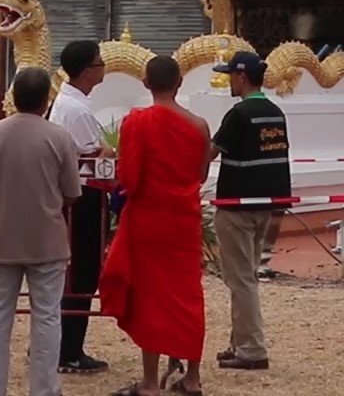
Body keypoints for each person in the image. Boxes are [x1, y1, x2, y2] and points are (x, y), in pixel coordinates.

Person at [101, 54, 208, 396]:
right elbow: (202, 174)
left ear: (146, 83)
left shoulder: (137, 122)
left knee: (150, 298)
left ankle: (149, 383)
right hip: (184, 221)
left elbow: (129, 178)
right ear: (180, 83)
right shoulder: (199, 126)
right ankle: (192, 378)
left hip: (148, 220)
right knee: (188, 296)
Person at [0, 66, 81, 396]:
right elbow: (71, 193)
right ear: (45, 101)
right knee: (47, 316)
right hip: (46, 240)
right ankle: (44, 388)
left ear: (14, 97)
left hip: (0, 237)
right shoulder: (60, 138)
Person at [208, 50, 289, 372]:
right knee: (246, 276)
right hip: (264, 207)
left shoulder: (239, 115)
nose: (228, 80)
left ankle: (252, 349)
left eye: (230, 74)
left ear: (242, 77)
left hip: (236, 207)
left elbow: (212, 151)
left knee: (241, 281)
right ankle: (238, 342)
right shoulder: (274, 112)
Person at [47, 38, 110, 375]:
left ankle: (57, 342)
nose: (103, 67)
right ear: (88, 70)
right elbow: (92, 156)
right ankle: (69, 349)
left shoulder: (69, 104)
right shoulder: (77, 109)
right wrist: (108, 155)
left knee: (71, 274)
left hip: (72, 197)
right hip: (83, 198)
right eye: (100, 62)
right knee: (82, 274)